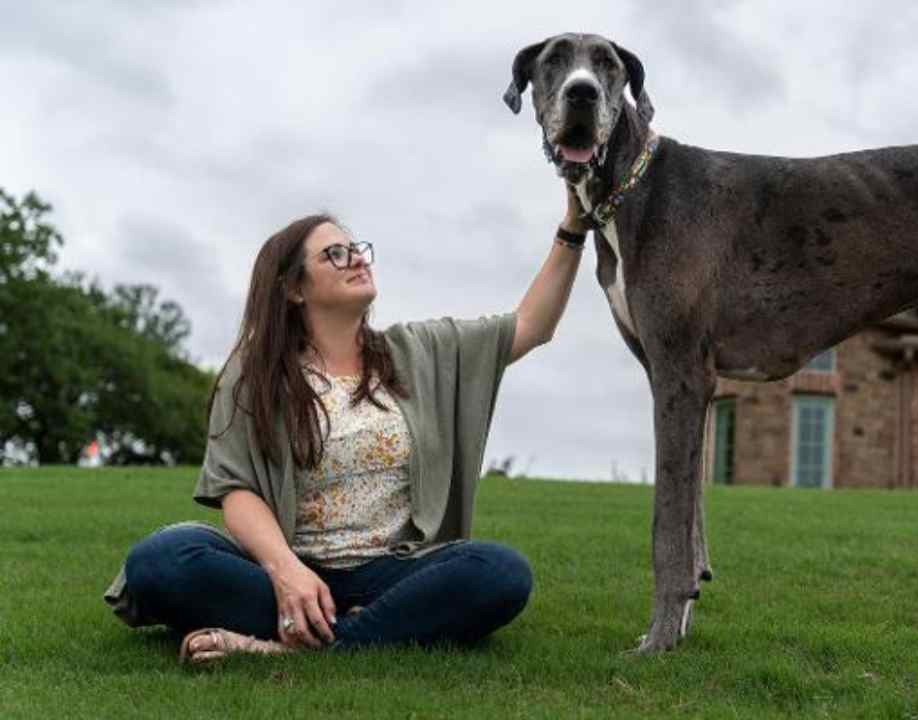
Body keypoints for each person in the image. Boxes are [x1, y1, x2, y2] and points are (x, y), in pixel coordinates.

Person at [105, 186, 589, 664]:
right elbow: (237, 490)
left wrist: (573, 229)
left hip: (392, 572)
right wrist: (286, 571)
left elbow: (531, 325)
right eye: (334, 255)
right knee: (159, 560)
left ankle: (294, 646)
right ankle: (359, 627)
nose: (357, 259)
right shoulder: (255, 372)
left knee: (499, 572)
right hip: (288, 569)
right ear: (294, 288)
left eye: (356, 249)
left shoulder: (419, 351)